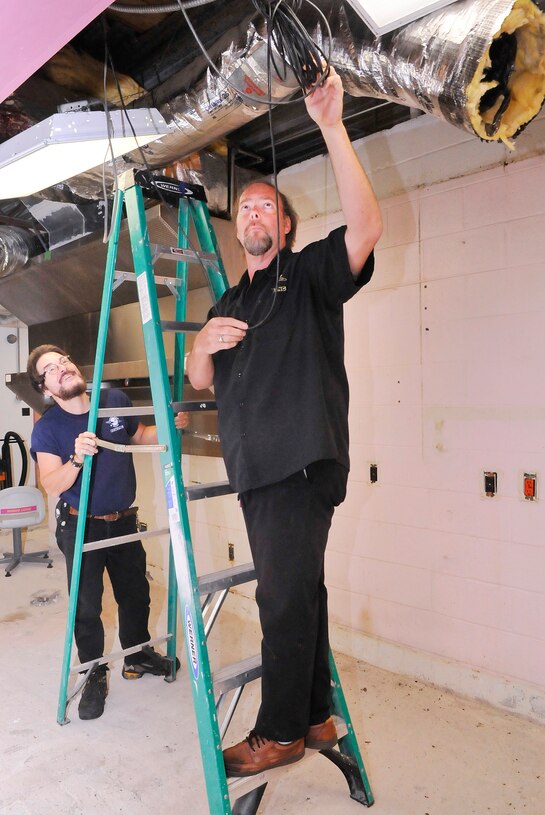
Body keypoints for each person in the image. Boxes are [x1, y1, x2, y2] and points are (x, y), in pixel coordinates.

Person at [186, 66, 383, 776]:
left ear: (286, 225)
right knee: (301, 592)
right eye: (245, 210)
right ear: (236, 227)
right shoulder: (226, 303)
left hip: (298, 463)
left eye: (267, 208)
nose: (254, 215)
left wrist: (332, 124)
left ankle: (278, 733)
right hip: (259, 474)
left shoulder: (305, 277)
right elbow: (198, 379)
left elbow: (366, 226)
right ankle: (317, 715)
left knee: (279, 600)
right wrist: (199, 344)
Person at [27, 344, 189, 721]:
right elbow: (51, 483)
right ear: (45, 388)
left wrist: (168, 424)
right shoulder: (47, 429)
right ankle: (94, 672)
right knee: (86, 606)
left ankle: (136, 654)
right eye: (51, 369)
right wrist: (77, 458)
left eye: (64, 360)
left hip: (124, 519)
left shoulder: (112, 398)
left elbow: (141, 435)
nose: (63, 367)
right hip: (80, 524)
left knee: (136, 593)